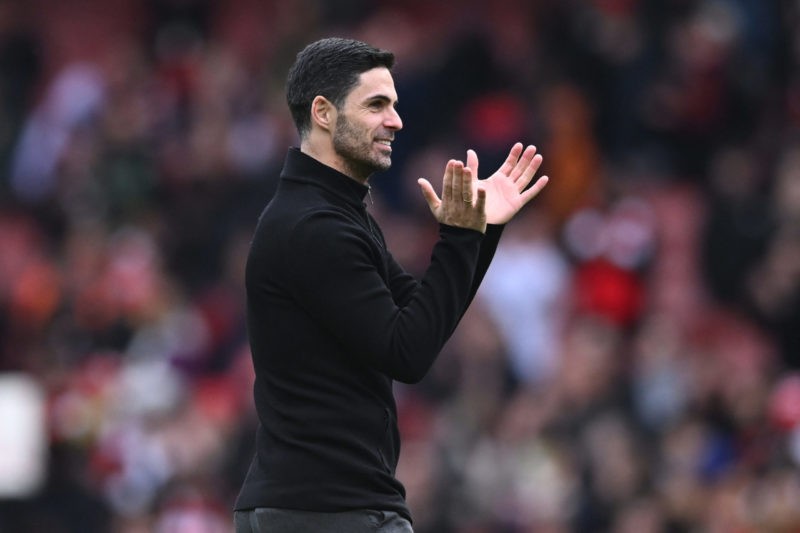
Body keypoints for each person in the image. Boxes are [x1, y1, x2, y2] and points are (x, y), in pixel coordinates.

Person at [233, 37, 549, 533]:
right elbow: (408, 354)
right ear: (323, 112)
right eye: (376, 104)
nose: (396, 121)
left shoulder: (329, 215)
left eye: (395, 105)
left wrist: (479, 231)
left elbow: (420, 314)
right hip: (329, 511)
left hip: (318, 506)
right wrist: (461, 236)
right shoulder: (315, 226)